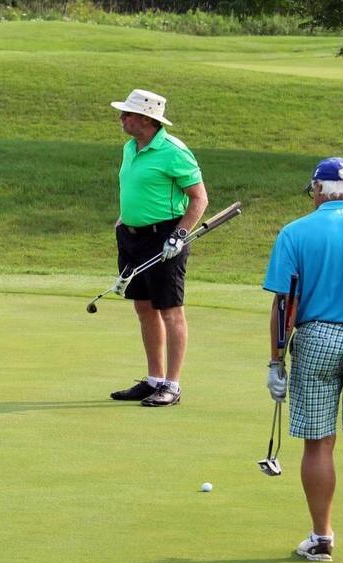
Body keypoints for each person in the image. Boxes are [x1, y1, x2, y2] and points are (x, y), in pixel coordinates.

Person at [264, 157, 343, 562]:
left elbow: (284, 302)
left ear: (319, 191)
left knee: (319, 442)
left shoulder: (296, 232)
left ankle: (322, 538)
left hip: (318, 336)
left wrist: (275, 362)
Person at [107, 89, 208, 407]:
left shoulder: (174, 151)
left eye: (127, 114)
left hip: (164, 238)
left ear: (146, 120)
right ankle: (153, 380)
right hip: (132, 237)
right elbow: (136, 187)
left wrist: (178, 235)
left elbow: (199, 198)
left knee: (170, 310)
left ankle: (172, 385)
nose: (121, 118)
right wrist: (125, 218)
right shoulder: (130, 147)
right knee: (144, 307)